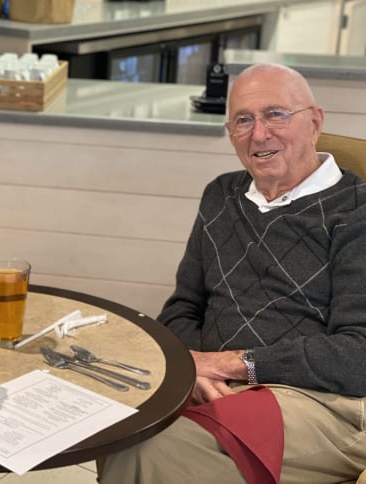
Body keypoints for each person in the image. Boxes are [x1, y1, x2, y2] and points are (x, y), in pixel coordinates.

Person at [99, 64, 366, 483]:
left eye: (276, 114)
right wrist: (195, 367)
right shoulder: (221, 195)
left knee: (149, 451)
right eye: (243, 120)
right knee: (114, 424)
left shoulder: (356, 210)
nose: (259, 134)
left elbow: (358, 355)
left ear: (315, 121)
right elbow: (183, 309)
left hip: (322, 402)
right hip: (219, 386)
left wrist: (233, 365)